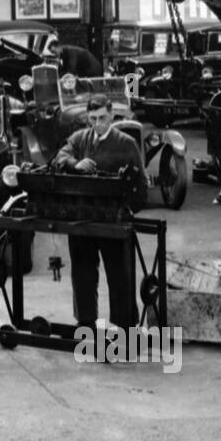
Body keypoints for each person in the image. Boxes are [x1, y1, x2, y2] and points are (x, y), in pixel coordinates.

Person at [52, 94, 144, 332]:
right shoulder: (80, 138)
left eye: (102, 117)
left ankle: (125, 327)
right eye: (93, 118)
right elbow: (60, 157)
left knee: (119, 273)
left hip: (113, 220)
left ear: (112, 115)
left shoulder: (126, 144)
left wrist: (127, 213)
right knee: (82, 272)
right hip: (83, 218)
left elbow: (140, 186)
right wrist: (75, 164)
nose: (98, 123)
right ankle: (85, 322)